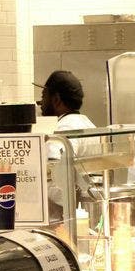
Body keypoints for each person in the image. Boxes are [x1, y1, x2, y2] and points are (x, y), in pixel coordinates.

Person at [37, 70, 100, 210]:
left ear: (56, 99)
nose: (40, 103)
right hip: (88, 206)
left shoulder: (63, 130)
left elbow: (59, 185)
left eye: (43, 96)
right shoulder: (88, 124)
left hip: (70, 211)